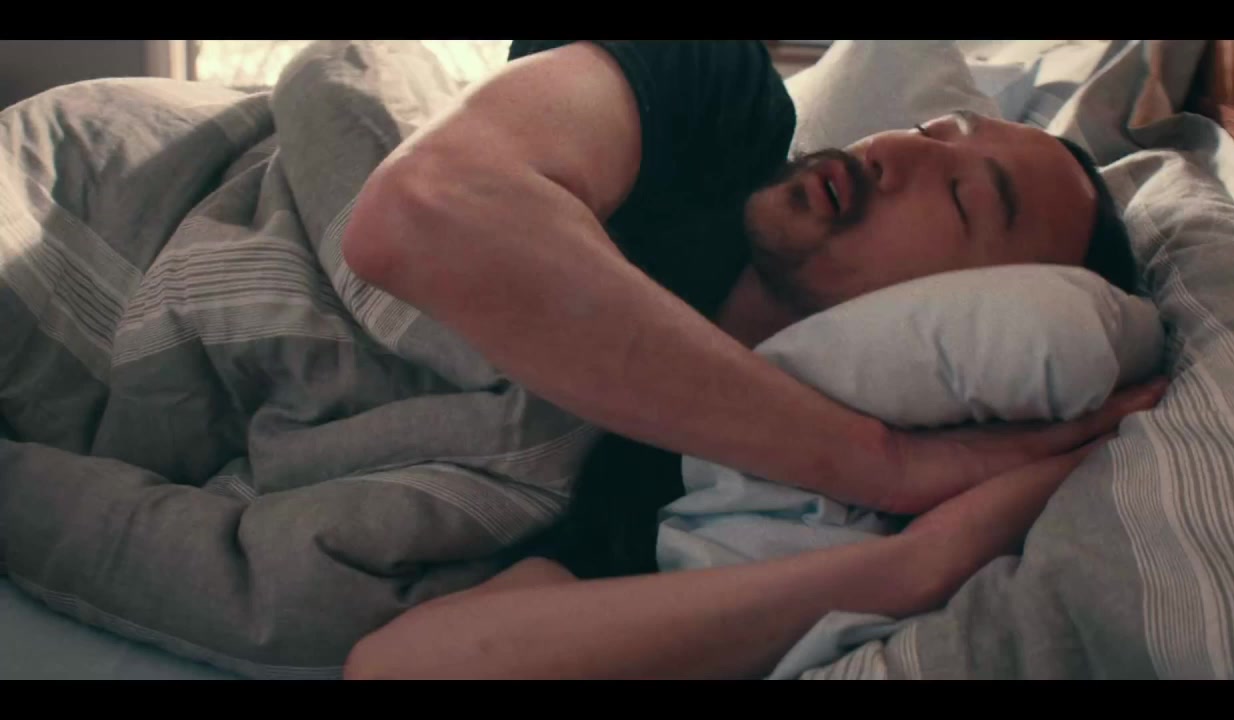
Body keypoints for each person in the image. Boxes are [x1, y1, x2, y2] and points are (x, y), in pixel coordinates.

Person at [338, 40, 1167, 679]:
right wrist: (880, 464)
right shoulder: (713, 97)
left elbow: (398, 668)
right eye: (930, 132)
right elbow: (421, 208)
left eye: (961, 199)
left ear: (978, 315)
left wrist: (911, 567)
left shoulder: (725, 498)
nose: (894, 152)